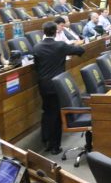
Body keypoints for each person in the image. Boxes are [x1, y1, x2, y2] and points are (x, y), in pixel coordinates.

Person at [33, 21, 85, 154]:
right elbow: (81, 50)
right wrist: (76, 43)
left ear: (43, 32)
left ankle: (46, 141)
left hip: (43, 84)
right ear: (56, 32)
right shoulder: (60, 45)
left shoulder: (37, 47)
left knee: (47, 112)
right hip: (57, 84)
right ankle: (55, 146)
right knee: (56, 114)